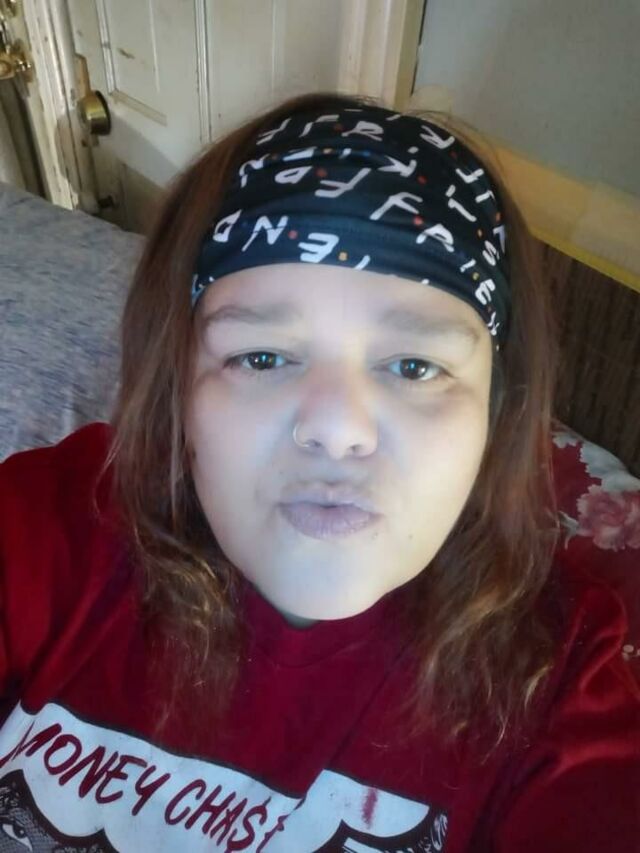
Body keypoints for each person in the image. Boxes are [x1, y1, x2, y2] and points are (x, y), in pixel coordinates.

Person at [0, 90, 638, 852]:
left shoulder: (559, 678)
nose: (337, 429)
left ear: (496, 413)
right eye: (262, 356)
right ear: (179, 385)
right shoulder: (54, 523)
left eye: (415, 365)